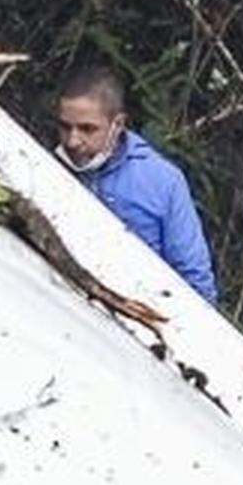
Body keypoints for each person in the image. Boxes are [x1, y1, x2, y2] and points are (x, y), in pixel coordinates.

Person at [50, 65, 220, 305]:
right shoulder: (43, 164)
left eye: (87, 129)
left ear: (117, 124)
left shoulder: (162, 181)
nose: (73, 141)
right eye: (65, 127)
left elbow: (195, 279)